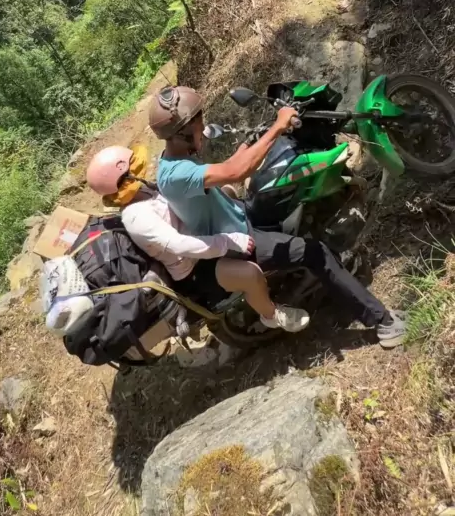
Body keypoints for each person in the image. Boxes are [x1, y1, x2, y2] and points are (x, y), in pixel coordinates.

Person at [149, 85, 407, 349]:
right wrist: (277, 127)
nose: (203, 126)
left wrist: (252, 140)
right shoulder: (175, 174)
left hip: (239, 215)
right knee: (316, 253)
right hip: (237, 243)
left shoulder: (178, 157)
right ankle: (382, 322)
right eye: (198, 122)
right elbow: (235, 171)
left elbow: (225, 167)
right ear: (181, 132)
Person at [86, 143, 310, 333]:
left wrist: (237, 159)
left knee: (227, 191)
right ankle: (270, 315)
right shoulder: (136, 216)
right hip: (194, 268)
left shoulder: (144, 191)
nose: (140, 166)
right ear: (125, 178)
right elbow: (180, 245)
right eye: (133, 165)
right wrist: (228, 241)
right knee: (250, 275)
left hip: (201, 237)